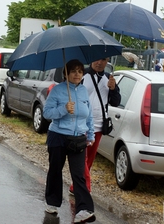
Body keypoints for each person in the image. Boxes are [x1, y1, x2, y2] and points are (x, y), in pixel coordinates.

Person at [43, 59, 96, 223]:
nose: (77, 74)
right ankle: (52, 202)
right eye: (73, 71)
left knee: (78, 174)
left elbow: (90, 115)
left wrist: (91, 135)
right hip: (58, 136)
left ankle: (84, 209)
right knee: (55, 170)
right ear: (65, 74)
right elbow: (47, 113)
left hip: (78, 138)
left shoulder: (84, 91)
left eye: (80, 71)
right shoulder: (58, 90)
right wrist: (63, 109)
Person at [69, 58, 121, 195]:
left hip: (98, 124)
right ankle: (85, 188)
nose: (99, 62)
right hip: (81, 124)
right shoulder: (82, 75)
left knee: (89, 159)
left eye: (103, 60)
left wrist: (113, 89)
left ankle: (76, 186)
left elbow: (116, 102)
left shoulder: (108, 79)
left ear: (107, 61)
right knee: (82, 158)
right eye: (97, 59)